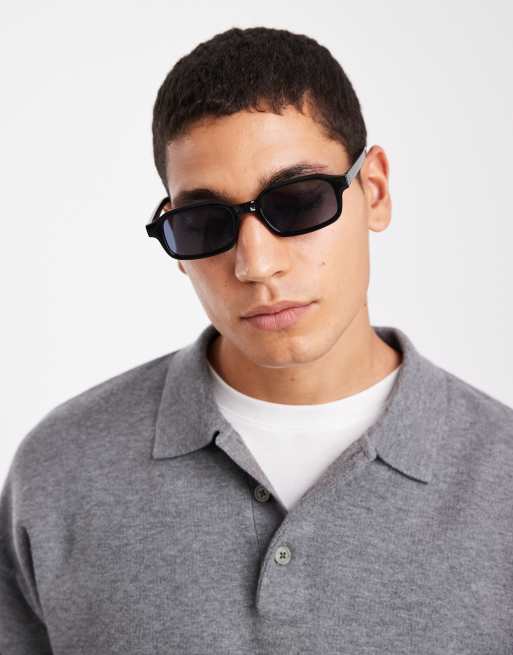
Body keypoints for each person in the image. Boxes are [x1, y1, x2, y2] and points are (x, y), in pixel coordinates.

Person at [1, 26, 512, 655]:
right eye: (203, 222)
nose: (255, 264)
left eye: (297, 203)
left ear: (375, 191)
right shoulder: (61, 471)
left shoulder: (502, 476)